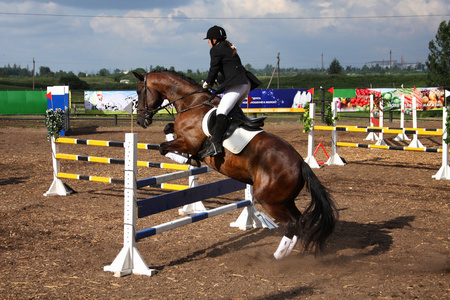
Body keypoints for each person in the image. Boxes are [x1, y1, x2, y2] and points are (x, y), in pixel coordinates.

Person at [202, 25, 261, 157]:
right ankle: (236, 139)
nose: (208, 42)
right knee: (231, 112)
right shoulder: (229, 47)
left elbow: (214, 69)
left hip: (237, 84)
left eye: (209, 39)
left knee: (222, 112)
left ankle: (216, 145)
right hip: (246, 83)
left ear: (214, 40)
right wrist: (217, 81)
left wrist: (208, 83)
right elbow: (228, 70)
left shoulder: (216, 50)